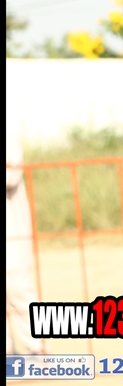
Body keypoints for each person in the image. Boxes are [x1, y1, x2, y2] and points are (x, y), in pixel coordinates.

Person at [6, 112, 42, 355]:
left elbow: (10, 175)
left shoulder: (8, 139)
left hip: (11, 236)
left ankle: (36, 352)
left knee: (19, 290)